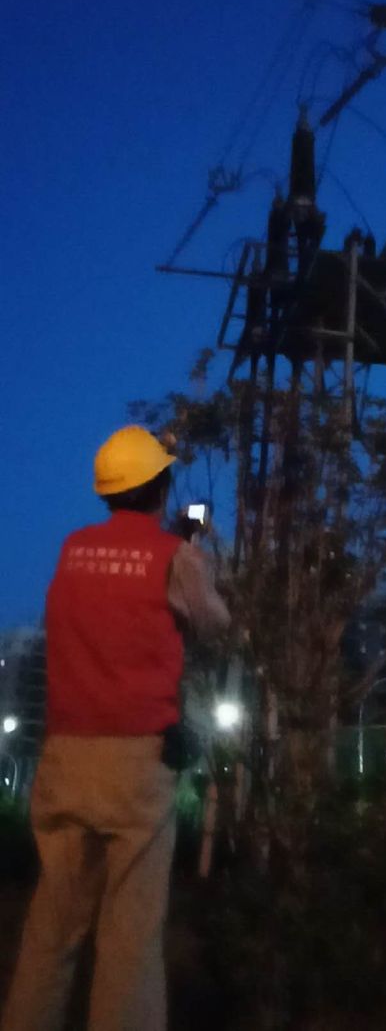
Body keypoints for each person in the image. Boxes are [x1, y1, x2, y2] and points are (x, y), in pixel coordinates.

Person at [1, 425, 230, 1031]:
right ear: (161, 487)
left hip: (63, 758)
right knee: (130, 938)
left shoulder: (72, 549)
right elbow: (215, 622)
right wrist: (195, 554)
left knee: (51, 932)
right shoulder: (175, 557)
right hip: (135, 764)